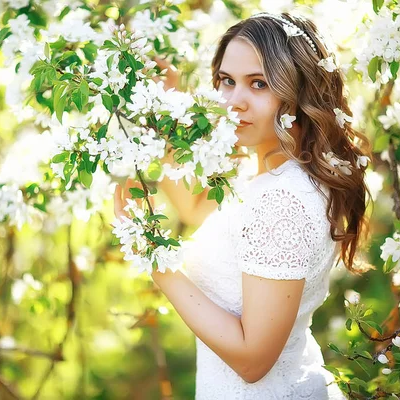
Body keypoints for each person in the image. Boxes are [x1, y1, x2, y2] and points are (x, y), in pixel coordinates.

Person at [114, 11, 371, 399]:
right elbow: (198, 210)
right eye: (226, 81)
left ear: (299, 89)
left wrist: (154, 260)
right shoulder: (271, 170)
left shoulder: (282, 199)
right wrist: (160, 113)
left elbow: (253, 360)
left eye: (259, 84)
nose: (234, 102)